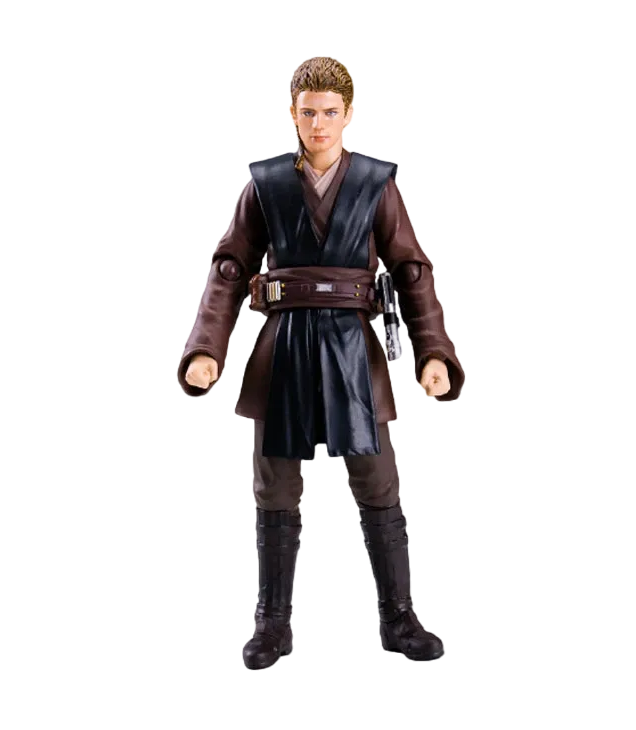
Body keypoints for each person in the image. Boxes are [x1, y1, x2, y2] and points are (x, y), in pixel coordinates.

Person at [178, 56, 463, 670]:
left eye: (331, 112)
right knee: (275, 484)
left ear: (348, 115)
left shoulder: (374, 182)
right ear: (294, 116)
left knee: (377, 479)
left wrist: (432, 352)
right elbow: (231, 267)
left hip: (354, 344)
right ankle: (270, 625)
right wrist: (205, 347)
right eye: (309, 113)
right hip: (283, 344)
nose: (320, 124)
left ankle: (398, 620)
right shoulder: (267, 182)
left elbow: (409, 270)